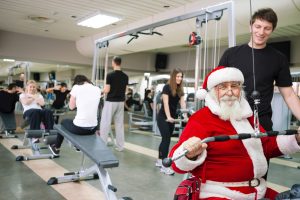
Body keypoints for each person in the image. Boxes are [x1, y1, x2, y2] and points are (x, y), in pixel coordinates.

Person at [169, 66, 300, 199]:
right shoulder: (201, 119)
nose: (230, 92)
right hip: (217, 193)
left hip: (256, 191)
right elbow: (176, 164)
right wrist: (189, 153)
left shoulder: (247, 116)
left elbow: (266, 146)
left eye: (234, 86)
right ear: (213, 91)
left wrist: (296, 138)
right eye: (223, 87)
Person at [218, 8, 300, 132]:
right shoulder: (231, 54)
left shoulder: (279, 58)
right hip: (231, 120)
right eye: (258, 26)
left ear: (272, 30)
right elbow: (216, 88)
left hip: (261, 122)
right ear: (250, 26)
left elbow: (289, 95)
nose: (261, 32)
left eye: (267, 28)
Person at [49, 75, 101, 156]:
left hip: (79, 129)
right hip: (93, 129)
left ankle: (56, 147)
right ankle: (77, 145)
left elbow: (71, 107)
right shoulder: (97, 89)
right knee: (75, 121)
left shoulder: (77, 87)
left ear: (77, 82)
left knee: (63, 122)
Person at [156, 68, 187, 175]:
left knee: (165, 139)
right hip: (163, 117)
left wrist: (185, 115)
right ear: (173, 77)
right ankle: (164, 167)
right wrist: (168, 117)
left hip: (172, 118)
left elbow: (183, 104)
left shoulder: (180, 90)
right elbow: (165, 103)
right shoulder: (167, 87)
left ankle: (160, 160)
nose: (179, 78)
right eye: (177, 76)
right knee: (166, 139)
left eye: (181, 76)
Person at [100, 56, 129, 152]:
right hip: (120, 102)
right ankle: (120, 147)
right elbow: (126, 90)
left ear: (113, 63)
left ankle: (102, 145)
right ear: (120, 63)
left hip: (111, 102)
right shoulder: (125, 76)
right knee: (119, 125)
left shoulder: (110, 75)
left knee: (105, 123)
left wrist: (100, 90)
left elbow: (107, 90)